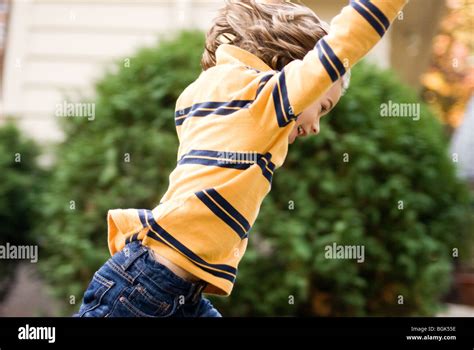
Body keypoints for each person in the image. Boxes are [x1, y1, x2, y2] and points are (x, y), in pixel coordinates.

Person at [76, 0, 408, 317]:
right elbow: (346, 43)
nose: (317, 127)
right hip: (147, 285)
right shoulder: (265, 101)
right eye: (322, 106)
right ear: (296, 73)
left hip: (169, 285)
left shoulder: (213, 94)